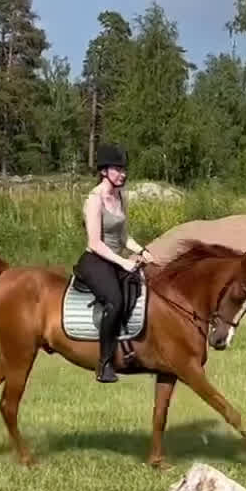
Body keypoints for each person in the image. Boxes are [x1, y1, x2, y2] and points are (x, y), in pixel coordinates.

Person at [76, 144, 151, 383]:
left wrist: (142, 251)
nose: (123, 174)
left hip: (116, 259)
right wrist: (124, 262)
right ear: (104, 171)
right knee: (115, 301)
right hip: (95, 261)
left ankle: (130, 346)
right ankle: (105, 363)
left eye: (123, 169)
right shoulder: (94, 200)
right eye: (117, 169)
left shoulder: (119, 197)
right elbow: (95, 242)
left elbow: (122, 237)